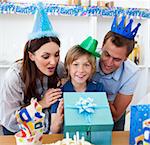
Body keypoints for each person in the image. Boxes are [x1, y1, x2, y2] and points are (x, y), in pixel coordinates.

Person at [0, 2, 66, 135]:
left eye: (57, 54)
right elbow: (10, 120)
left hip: (47, 134)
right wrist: (40, 104)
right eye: (46, 56)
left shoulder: (60, 69)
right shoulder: (15, 76)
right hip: (18, 135)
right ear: (31, 56)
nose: (53, 62)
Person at [92, 16, 141, 131]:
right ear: (102, 46)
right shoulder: (87, 59)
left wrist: (97, 93)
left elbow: (115, 115)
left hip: (113, 117)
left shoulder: (132, 73)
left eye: (117, 59)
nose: (109, 63)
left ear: (126, 58)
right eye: (106, 54)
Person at [50, 36, 105, 133]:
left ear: (92, 68)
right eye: (75, 65)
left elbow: (102, 124)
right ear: (67, 67)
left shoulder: (98, 89)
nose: (81, 70)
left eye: (86, 65)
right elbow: (53, 131)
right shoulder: (59, 93)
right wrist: (58, 120)